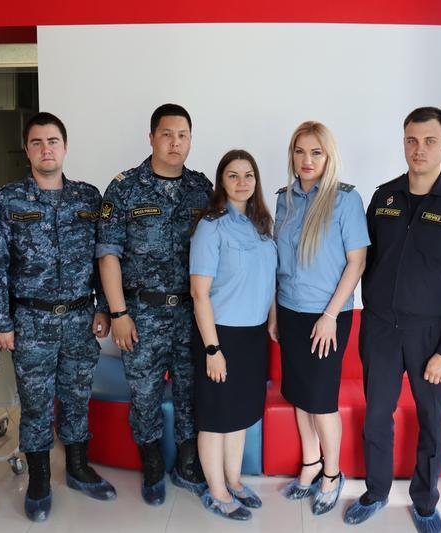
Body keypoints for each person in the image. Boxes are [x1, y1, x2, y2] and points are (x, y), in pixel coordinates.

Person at [345, 107, 441, 532]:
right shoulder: (384, 197)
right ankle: (375, 492)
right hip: (380, 329)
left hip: (432, 335)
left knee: (433, 424)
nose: (419, 149)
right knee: (377, 416)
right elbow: (361, 259)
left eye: (429, 141)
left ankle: (425, 502)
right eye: (411, 140)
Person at [0, 112, 115, 522]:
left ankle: (76, 468)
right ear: (27, 149)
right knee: (37, 403)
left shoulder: (88, 198)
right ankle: (39, 479)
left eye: (52, 141)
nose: (46, 149)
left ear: (65, 146)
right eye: (37, 142)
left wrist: (104, 307)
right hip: (31, 321)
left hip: (79, 319)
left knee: (77, 396)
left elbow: (103, 258)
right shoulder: (9, 199)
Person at [97, 103, 212, 505]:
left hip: (191, 313)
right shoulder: (125, 188)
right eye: (166, 134)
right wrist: (118, 313)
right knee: (144, 392)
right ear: (151, 138)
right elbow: (108, 254)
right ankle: (151, 462)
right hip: (141, 314)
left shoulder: (202, 189)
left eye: (182, 135)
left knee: (190, 388)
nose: (175, 143)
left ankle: (188, 462)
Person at [274, 121, 369, 515]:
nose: (307, 160)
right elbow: (277, 261)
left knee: (321, 400)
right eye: (300, 151)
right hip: (289, 310)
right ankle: (310, 464)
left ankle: (332, 473)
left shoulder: (345, 200)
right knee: (299, 393)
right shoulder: (284, 200)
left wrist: (330, 315)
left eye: (316, 152)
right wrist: (274, 312)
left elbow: (357, 261)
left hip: (327, 315)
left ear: (329, 156)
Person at [189, 149, 277, 520]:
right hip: (220, 335)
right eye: (233, 175)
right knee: (216, 417)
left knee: (239, 415)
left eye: (248, 175)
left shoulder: (262, 226)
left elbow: (269, 279)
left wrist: (272, 319)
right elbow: (199, 293)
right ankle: (217, 491)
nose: (242, 182)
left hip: (253, 337)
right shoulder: (211, 226)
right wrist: (213, 349)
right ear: (221, 182)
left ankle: (234, 480)